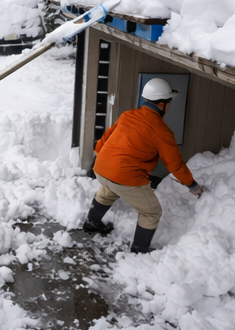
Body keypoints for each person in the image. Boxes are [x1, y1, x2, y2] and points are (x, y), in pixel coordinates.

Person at [81, 77, 204, 254]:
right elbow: (175, 164)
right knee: (151, 212)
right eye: (169, 101)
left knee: (108, 190)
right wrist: (192, 185)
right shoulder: (161, 131)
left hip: (101, 169)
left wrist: (99, 157)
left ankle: (91, 224)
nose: (170, 105)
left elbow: (106, 138)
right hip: (124, 177)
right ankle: (139, 251)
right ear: (162, 104)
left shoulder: (127, 115)